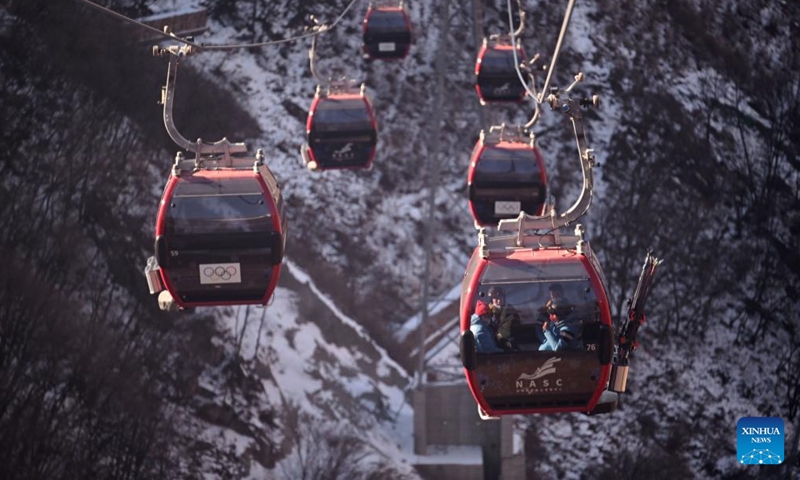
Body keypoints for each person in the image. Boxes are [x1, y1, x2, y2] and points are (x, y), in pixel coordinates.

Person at [539, 284, 581, 351]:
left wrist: (547, 331)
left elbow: (558, 350)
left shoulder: (568, 329)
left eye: (552, 314)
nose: (550, 316)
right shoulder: (558, 326)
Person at [487, 286, 521, 351]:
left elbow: (517, 325)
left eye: (500, 298)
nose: (498, 301)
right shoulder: (487, 311)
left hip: (508, 340)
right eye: (495, 298)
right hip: (492, 341)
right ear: (491, 299)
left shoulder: (510, 309)